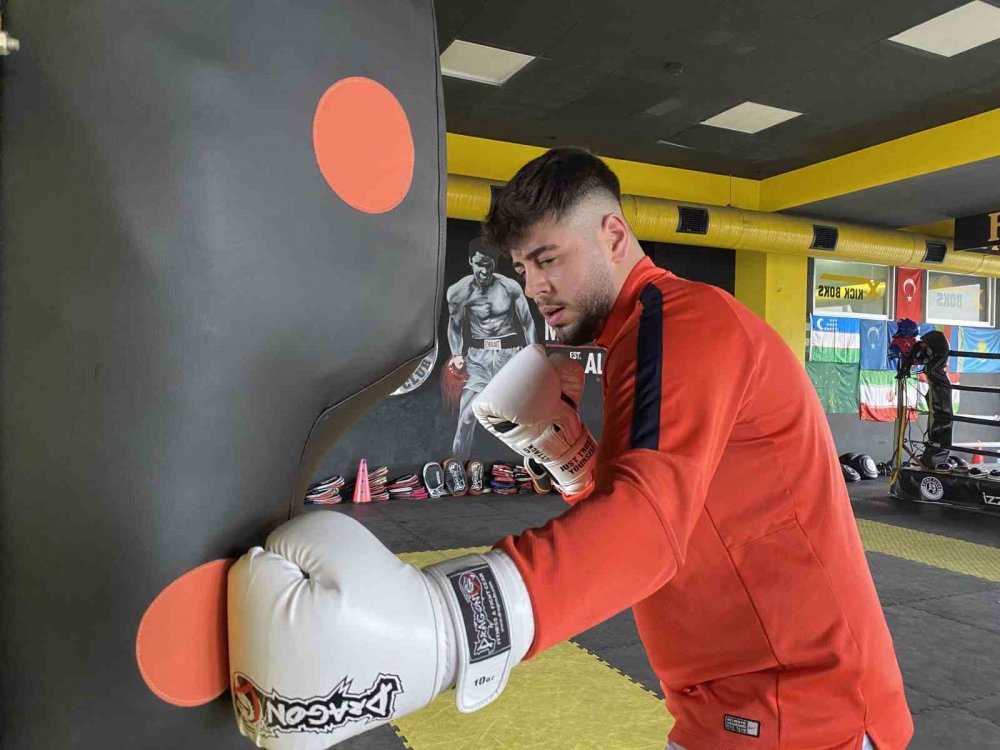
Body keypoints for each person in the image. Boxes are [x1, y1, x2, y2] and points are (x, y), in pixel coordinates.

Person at [225, 148, 913, 750]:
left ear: (614, 234)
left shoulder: (685, 322)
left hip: (805, 711)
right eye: (523, 266)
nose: (533, 287)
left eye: (548, 258)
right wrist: (569, 454)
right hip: (733, 706)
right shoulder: (633, 342)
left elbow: (650, 529)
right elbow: (669, 516)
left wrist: (445, 623)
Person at [445, 237, 537, 459]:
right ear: (470, 262)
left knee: (526, 418)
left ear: (494, 264)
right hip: (478, 360)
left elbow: (527, 322)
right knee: (466, 418)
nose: (484, 271)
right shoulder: (459, 292)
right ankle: (458, 467)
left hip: (509, 357)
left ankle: (539, 468)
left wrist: (535, 356)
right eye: (479, 265)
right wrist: (456, 354)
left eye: (488, 265)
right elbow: (455, 326)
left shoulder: (510, 287)